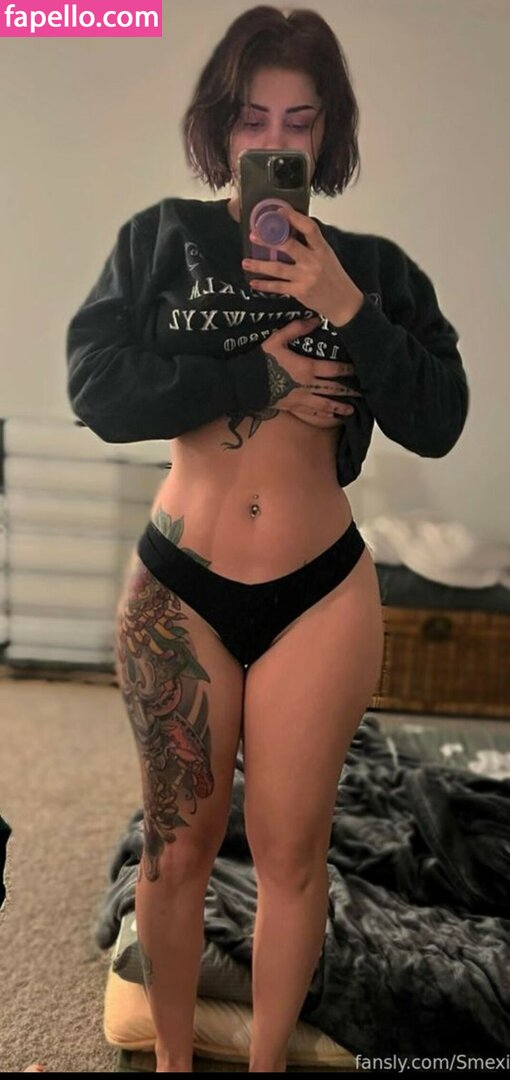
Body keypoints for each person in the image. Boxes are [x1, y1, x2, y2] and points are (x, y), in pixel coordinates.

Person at [66, 6, 469, 1072]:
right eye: (253, 118)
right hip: (179, 586)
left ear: (329, 132)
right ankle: (171, 1062)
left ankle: (266, 1063)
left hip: (320, 594)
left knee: (294, 856)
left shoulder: (374, 267)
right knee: (176, 848)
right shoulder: (162, 240)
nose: (275, 141)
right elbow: (97, 388)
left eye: (300, 119)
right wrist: (259, 377)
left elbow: (440, 417)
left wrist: (348, 305)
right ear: (221, 126)